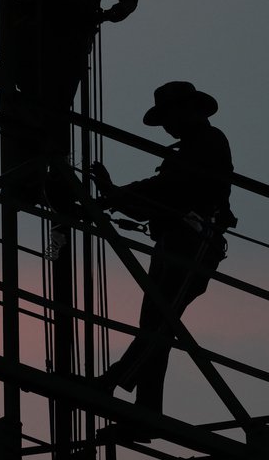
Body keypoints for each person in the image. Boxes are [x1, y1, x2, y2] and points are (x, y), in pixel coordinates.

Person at [88, 81, 234, 427]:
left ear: (191, 111)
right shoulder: (192, 150)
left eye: (171, 115)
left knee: (159, 323)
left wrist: (114, 195)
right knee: (157, 325)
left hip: (192, 244)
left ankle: (115, 384)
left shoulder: (207, 145)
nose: (168, 125)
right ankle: (144, 409)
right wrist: (115, 196)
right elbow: (163, 195)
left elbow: (169, 191)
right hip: (175, 243)